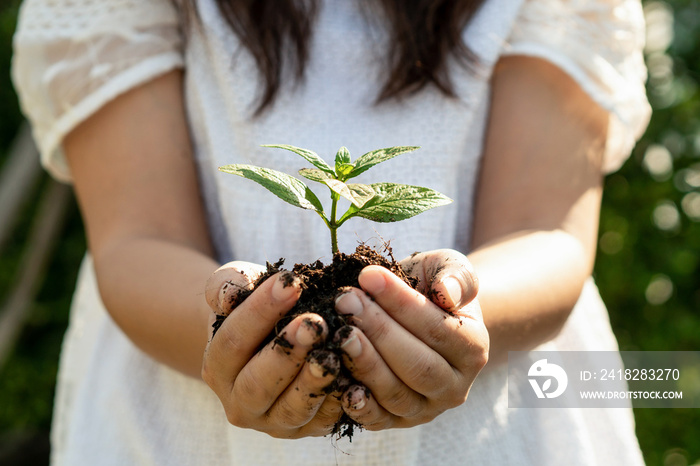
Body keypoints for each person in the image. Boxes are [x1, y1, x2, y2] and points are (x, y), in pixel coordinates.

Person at [12, 0, 651, 464]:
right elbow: (135, 240)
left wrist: (457, 316)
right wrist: (238, 328)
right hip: (179, 417)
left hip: (496, 427)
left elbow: (547, 231)